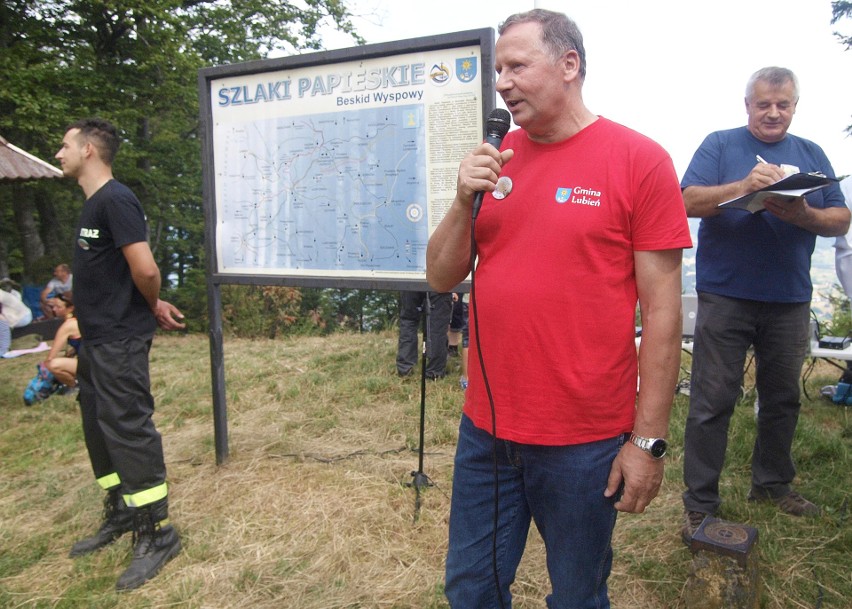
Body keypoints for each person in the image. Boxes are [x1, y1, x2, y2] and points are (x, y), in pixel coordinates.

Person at [426, 10, 691, 608]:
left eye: (517, 65)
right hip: (487, 430)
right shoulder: (498, 159)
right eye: (498, 70)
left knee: (575, 594)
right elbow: (440, 275)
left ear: (569, 65)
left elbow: (664, 315)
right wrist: (462, 196)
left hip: (585, 440)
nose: (502, 82)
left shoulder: (639, 160)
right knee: (470, 590)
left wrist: (647, 443)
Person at [680, 67, 849, 542]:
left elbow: (840, 219)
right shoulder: (719, 144)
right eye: (763, 104)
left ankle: (773, 486)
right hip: (726, 294)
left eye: (784, 104)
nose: (773, 113)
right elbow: (687, 199)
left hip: (789, 299)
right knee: (712, 401)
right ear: (747, 105)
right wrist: (744, 188)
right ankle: (700, 503)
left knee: (783, 400)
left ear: (795, 106)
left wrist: (803, 213)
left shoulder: (811, 153)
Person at [55, 117, 186, 591]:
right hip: (95, 340)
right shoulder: (94, 204)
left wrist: (150, 305)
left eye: (65, 145)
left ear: (89, 150)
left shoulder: (116, 199)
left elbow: (145, 269)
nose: (58, 153)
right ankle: (122, 514)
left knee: (128, 428)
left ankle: (157, 531)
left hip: (119, 341)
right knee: (98, 427)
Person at [396, 290, 453, 379]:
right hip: (439, 281)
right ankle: (435, 372)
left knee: (409, 321)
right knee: (438, 325)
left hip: (412, 279)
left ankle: (405, 369)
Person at [43, 292, 81, 389]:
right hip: (98, 361)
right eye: (54, 306)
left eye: (58, 307)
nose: (54, 309)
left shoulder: (67, 326)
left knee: (52, 365)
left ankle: (73, 385)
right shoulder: (79, 320)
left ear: (70, 308)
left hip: (91, 365)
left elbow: (50, 357)